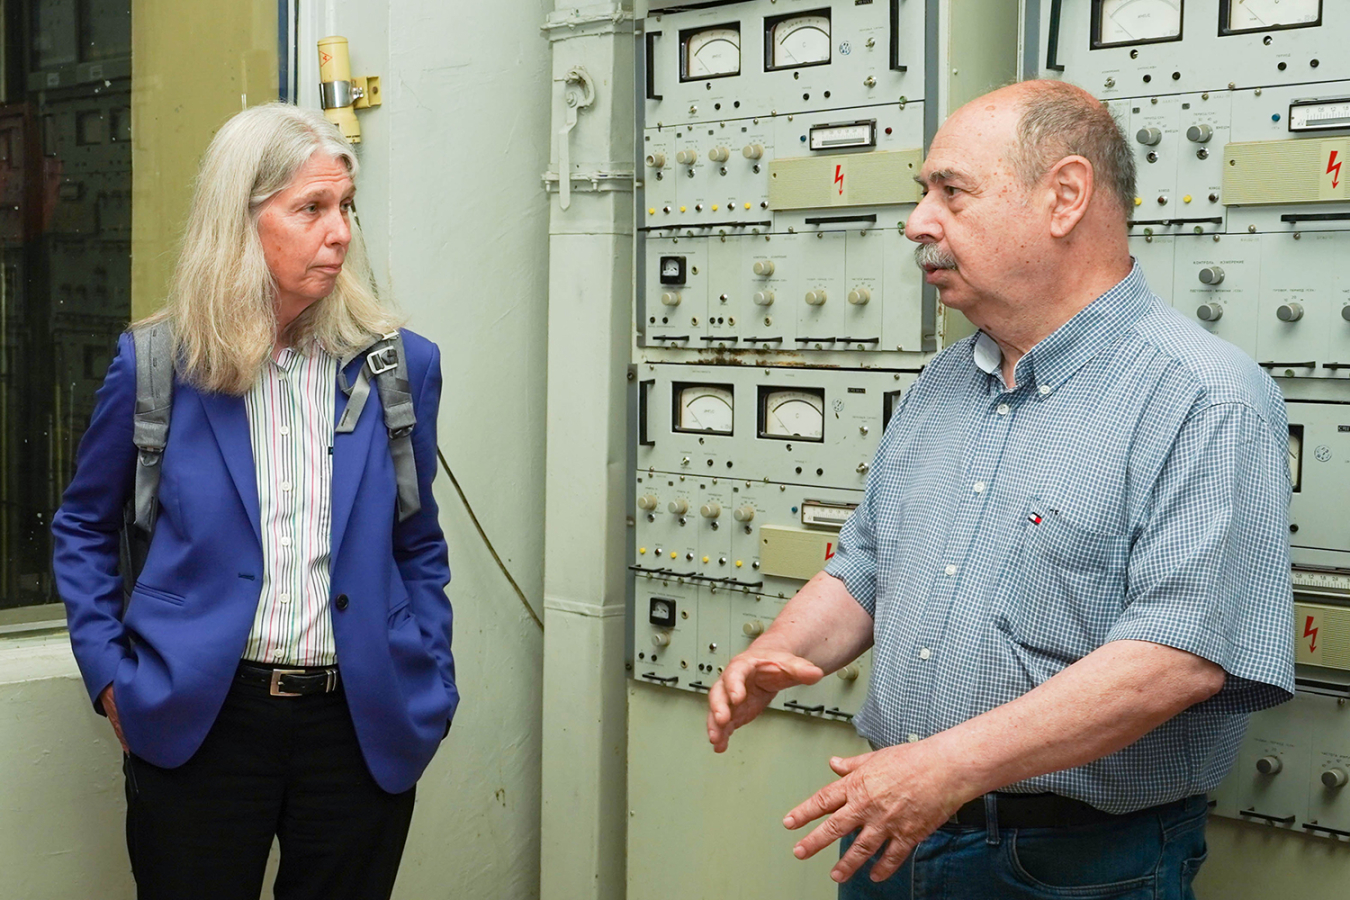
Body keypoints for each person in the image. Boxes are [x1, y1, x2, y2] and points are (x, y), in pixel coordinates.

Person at [707, 80, 1293, 899]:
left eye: (951, 192)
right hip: (895, 832)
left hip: (1076, 868)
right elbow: (869, 564)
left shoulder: (1204, 396)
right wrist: (777, 653)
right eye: (923, 194)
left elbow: (1176, 657)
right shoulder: (942, 382)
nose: (918, 222)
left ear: (1065, 197)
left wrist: (943, 766)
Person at [52, 103, 457, 900]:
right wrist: (109, 673)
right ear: (239, 222)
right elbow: (83, 527)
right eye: (310, 208)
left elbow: (418, 540)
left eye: (344, 207)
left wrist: (431, 675)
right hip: (202, 717)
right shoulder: (157, 366)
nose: (339, 232)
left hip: (360, 722)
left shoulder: (400, 369)